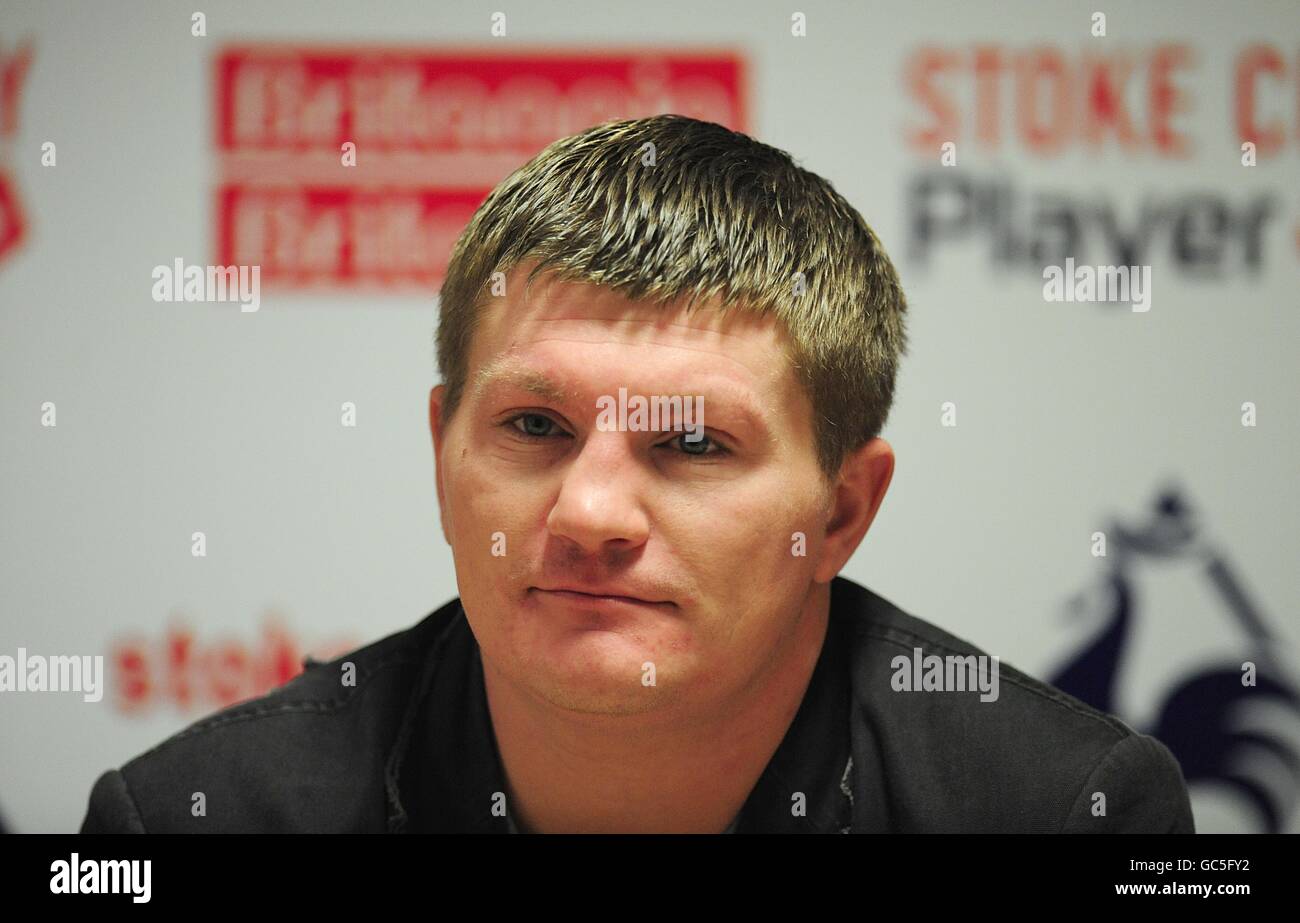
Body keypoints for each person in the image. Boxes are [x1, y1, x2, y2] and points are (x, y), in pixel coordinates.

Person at [80, 114, 1193, 833]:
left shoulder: (1070, 811)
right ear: (440, 451)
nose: (590, 511)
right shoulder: (197, 817)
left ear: (842, 510)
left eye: (693, 443)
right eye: (532, 423)